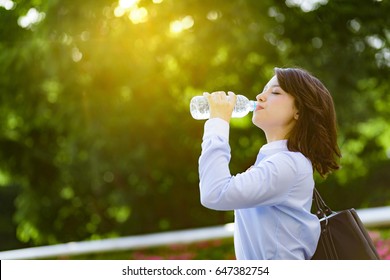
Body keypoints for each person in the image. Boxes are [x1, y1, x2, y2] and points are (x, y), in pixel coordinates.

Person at [198, 67, 341, 260]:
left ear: (298, 110)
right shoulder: (275, 161)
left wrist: (218, 123)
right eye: (264, 90)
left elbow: (214, 192)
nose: (260, 97)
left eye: (275, 92)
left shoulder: (288, 163)